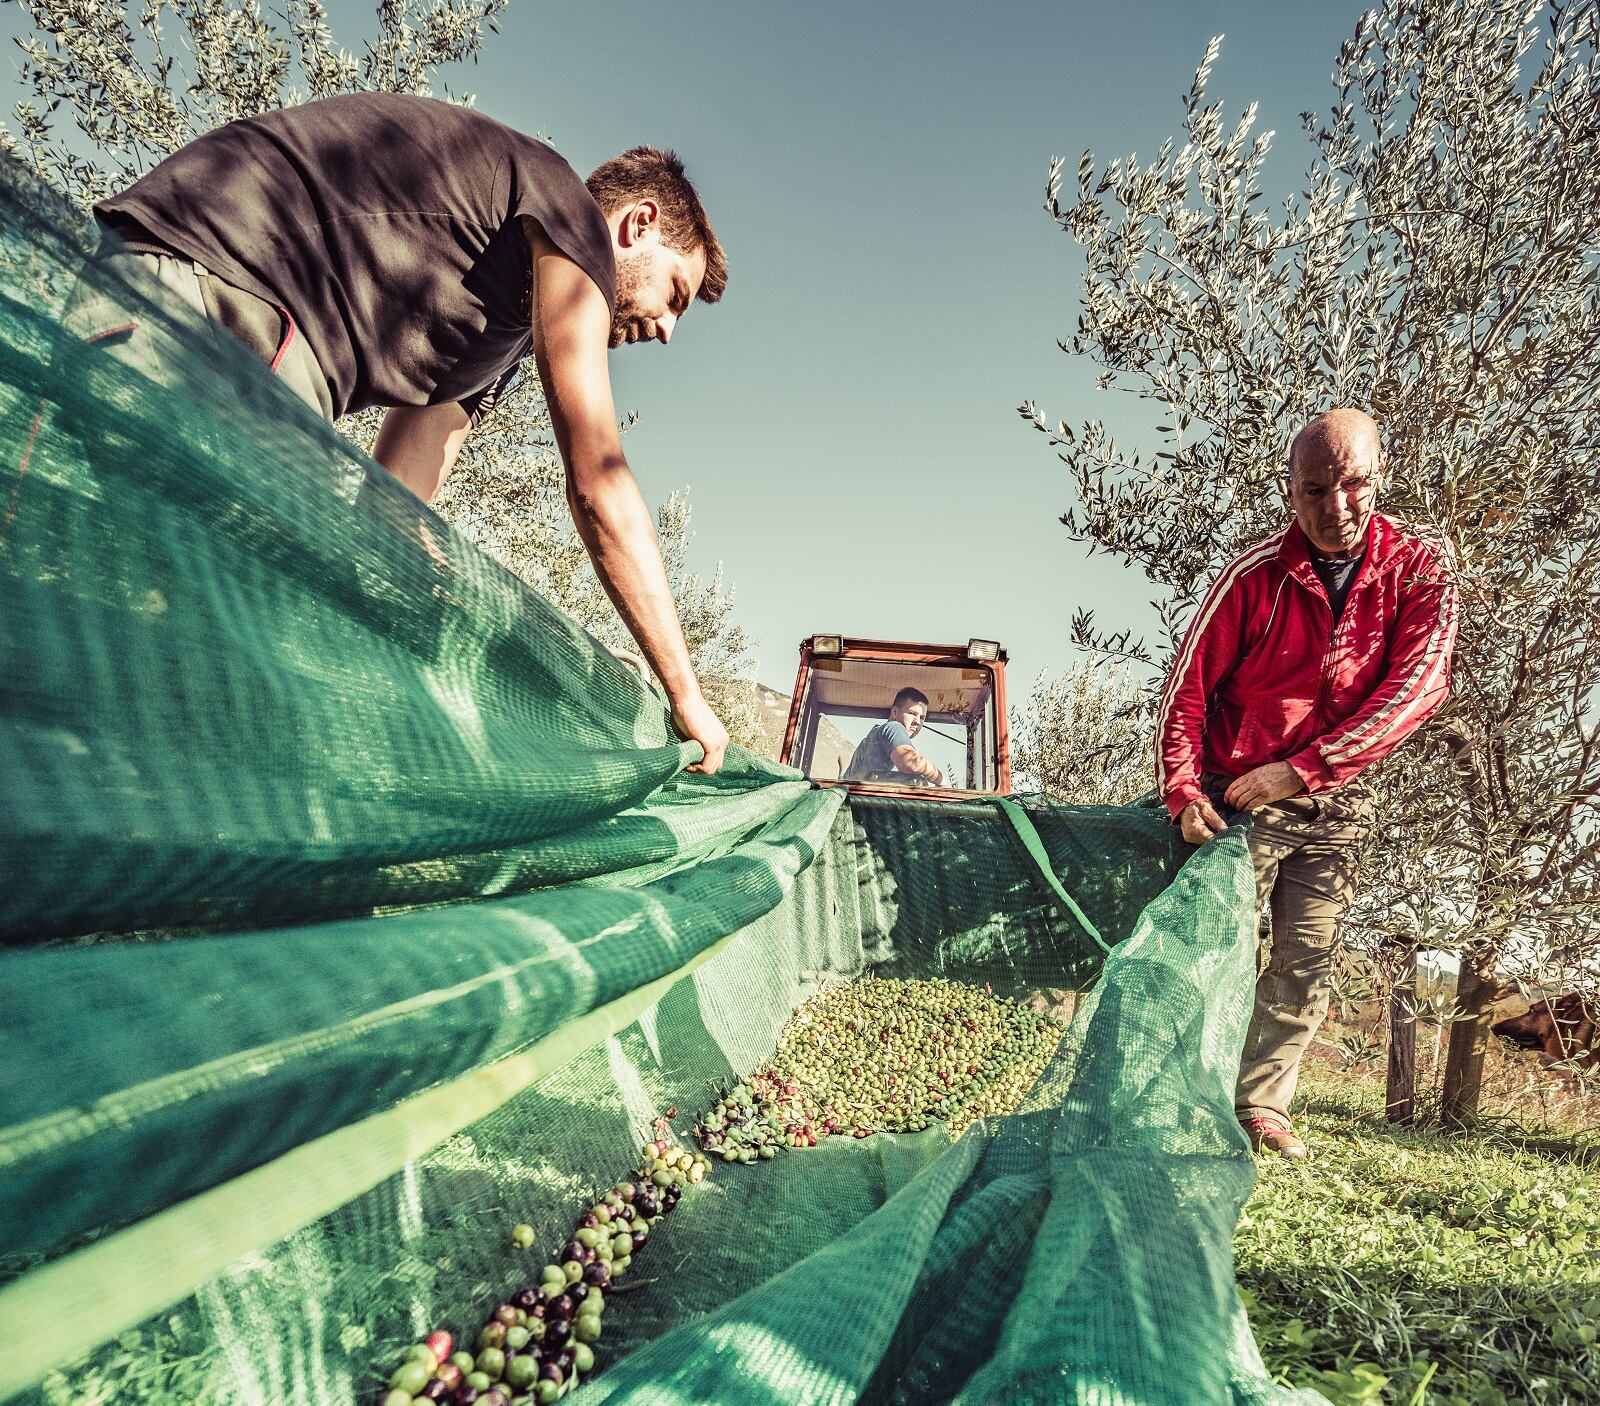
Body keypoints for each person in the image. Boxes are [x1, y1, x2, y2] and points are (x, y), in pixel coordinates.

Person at [75, 93, 729, 772]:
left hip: (156, 306)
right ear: (638, 224)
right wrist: (687, 695)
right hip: (214, 298)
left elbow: (389, 508)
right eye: (675, 295)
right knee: (264, 656)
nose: (666, 330)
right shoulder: (568, 213)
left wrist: (444, 597)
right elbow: (597, 482)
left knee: (180, 645)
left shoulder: (498, 332)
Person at [1156, 409, 1458, 1159]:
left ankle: (1261, 1106)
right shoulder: (1253, 577)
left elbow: (1417, 689)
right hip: (1236, 801)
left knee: (1307, 959)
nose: (1336, 507)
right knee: (1207, 950)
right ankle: (1167, 1097)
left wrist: (1301, 771)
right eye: (1315, 489)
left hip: (1336, 800)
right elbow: (1186, 690)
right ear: (1289, 491)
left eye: (1352, 484)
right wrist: (1184, 788)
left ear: (1379, 477)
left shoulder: (1419, 571)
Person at [844, 688, 948, 787]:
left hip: (857, 799)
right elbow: (911, 762)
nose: (917, 722)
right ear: (894, 712)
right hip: (867, 800)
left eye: (922, 718)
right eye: (912, 713)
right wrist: (941, 780)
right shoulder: (894, 727)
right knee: (917, 782)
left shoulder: (873, 736)